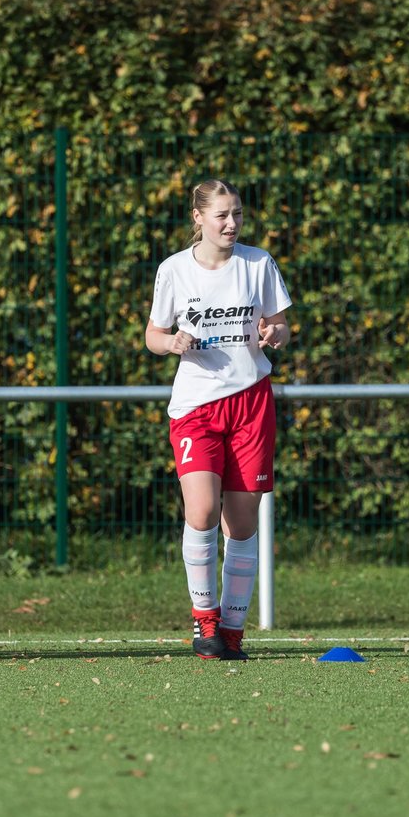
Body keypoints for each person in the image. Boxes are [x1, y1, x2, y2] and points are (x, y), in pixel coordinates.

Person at [145, 178, 292, 661]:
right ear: (199, 218)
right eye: (222, 215)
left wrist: (276, 332)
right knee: (202, 510)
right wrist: (171, 343)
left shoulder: (258, 263)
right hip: (196, 408)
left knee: (242, 524)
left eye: (238, 215)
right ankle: (204, 621)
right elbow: (153, 334)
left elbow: (283, 327)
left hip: (251, 403)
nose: (232, 224)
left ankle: (232, 631)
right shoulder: (174, 270)